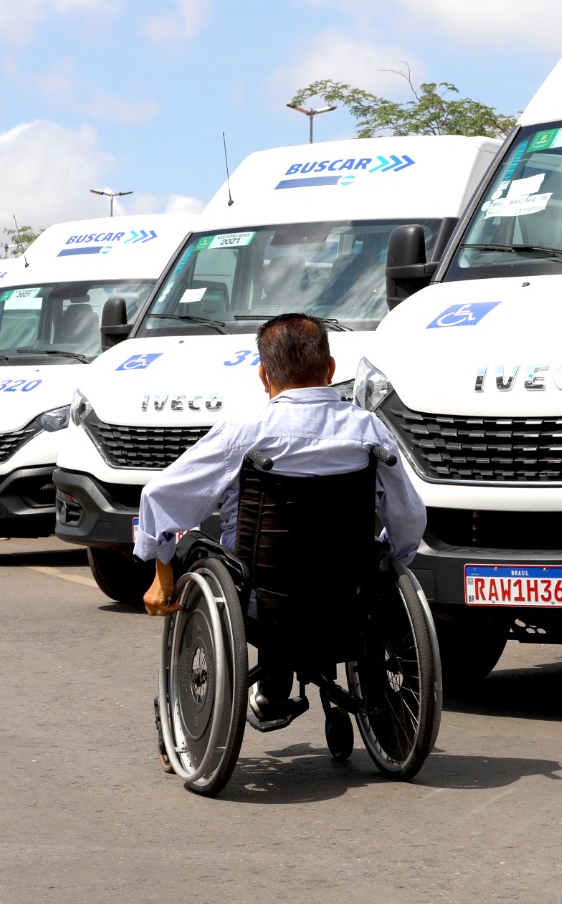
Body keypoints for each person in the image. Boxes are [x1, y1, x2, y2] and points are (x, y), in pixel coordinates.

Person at [133, 312, 426, 730]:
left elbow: (158, 498)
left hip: (255, 601)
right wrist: (388, 561)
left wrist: (161, 574)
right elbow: (409, 518)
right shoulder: (368, 432)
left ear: (263, 376)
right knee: (352, 561)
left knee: (190, 546)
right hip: (348, 593)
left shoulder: (246, 431)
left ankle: (270, 692)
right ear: (330, 370)